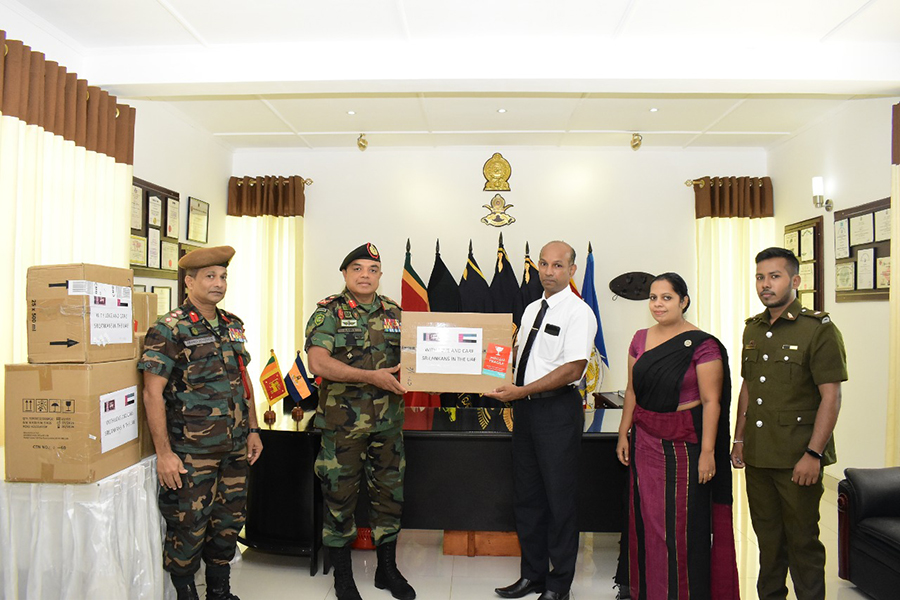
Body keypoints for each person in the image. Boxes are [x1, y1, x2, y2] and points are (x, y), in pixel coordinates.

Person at [139, 245, 263, 600]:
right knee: (188, 527)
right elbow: (152, 393)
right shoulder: (169, 328)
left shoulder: (232, 325)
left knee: (228, 523)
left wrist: (253, 429)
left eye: (223, 276)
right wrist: (164, 453)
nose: (219, 283)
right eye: (210, 276)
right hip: (192, 452)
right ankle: (185, 593)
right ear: (189, 282)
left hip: (236, 446)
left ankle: (219, 592)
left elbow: (244, 380)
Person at [730, 247, 847, 600]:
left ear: (795, 281)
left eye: (774, 276)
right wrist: (738, 440)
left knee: (803, 544)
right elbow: (748, 388)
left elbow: (831, 396)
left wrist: (814, 453)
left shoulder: (818, 330)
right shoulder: (753, 328)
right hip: (760, 456)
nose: (765, 285)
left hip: (798, 457)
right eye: (760, 277)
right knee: (768, 543)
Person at [613, 273, 739, 599]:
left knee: (679, 528)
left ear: (683, 301)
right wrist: (623, 433)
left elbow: (712, 401)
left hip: (684, 446)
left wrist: (709, 452)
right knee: (647, 521)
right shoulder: (640, 339)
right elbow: (631, 391)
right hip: (644, 442)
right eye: (653, 297)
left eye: (666, 297)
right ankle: (648, 590)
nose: (657, 304)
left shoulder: (702, 344)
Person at [486, 240, 597, 600]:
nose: (549, 272)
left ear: (571, 271)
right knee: (528, 498)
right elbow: (517, 356)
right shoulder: (533, 307)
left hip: (557, 412)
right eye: (544, 265)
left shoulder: (579, 313)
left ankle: (559, 583)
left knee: (559, 500)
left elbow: (573, 369)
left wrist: (521, 391)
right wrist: (490, 373)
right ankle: (532, 575)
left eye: (558, 266)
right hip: (526, 412)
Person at [305, 242, 415, 600]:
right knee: (340, 498)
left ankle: (386, 570)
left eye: (372, 269)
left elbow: (418, 358)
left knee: (390, 497)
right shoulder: (329, 313)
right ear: (345, 274)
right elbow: (318, 364)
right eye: (357, 269)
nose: (365, 275)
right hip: (342, 426)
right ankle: (343, 576)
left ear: (380, 275)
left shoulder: (396, 313)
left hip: (388, 423)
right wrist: (372, 377)